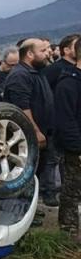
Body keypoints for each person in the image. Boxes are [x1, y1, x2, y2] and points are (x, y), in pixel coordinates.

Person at [4, 38, 58, 207]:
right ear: (29, 54)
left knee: (36, 173)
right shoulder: (20, 75)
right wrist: (35, 131)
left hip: (43, 133)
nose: (47, 53)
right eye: (42, 51)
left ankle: (30, 208)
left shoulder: (36, 72)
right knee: (25, 175)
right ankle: (20, 210)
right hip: (26, 137)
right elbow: (22, 107)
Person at [55, 37, 81, 238]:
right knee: (73, 188)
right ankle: (68, 231)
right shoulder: (68, 84)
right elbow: (66, 120)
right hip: (76, 147)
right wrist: (77, 149)